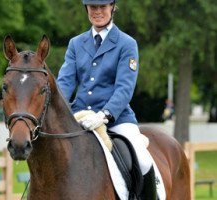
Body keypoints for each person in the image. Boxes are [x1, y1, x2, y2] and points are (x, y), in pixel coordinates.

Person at [57, 0, 157, 199]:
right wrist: (58, 111)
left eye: (102, 7)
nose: (98, 12)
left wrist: (104, 115)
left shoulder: (126, 44)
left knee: (143, 160)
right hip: (80, 117)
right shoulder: (76, 43)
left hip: (116, 118)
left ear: (112, 7)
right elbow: (65, 84)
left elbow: (124, 88)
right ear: (87, 9)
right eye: (93, 7)